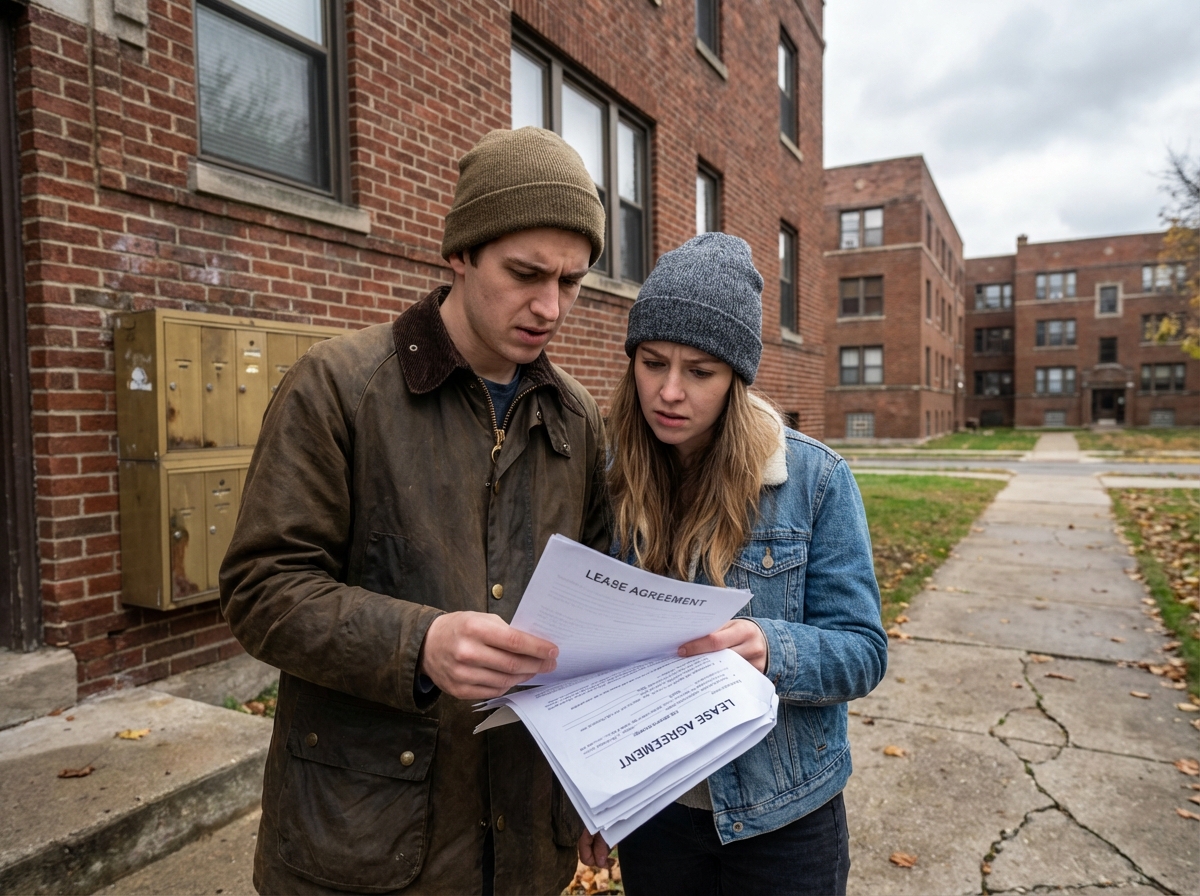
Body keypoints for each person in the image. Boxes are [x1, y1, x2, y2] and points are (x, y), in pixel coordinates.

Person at [220, 127, 611, 895]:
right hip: (361, 844)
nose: (549, 306)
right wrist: (419, 643)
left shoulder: (578, 419)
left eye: (571, 281)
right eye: (525, 273)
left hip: (525, 848)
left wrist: (597, 779)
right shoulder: (338, 388)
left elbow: (595, 617)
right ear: (460, 253)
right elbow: (261, 590)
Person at [578, 232, 888, 896]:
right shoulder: (609, 477)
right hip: (655, 809)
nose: (669, 391)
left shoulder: (814, 481)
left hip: (785, 815)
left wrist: (770, 648)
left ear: (736, 380)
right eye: (653, 362)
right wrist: (596, 790)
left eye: (700, 371)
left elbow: (863, 651)